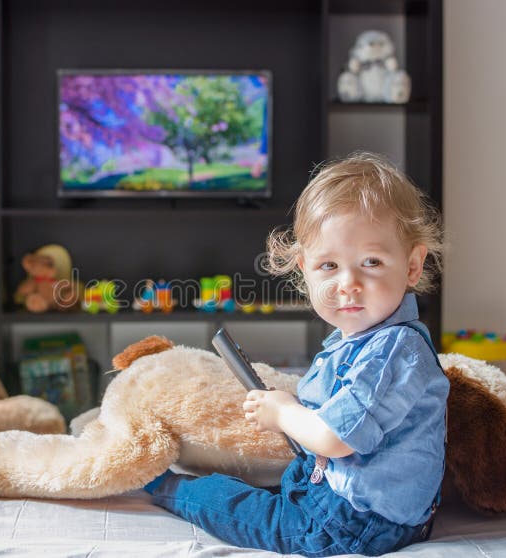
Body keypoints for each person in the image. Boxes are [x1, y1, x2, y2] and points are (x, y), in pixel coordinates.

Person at [144, 152, 449, 557]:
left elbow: (336, 438)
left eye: (371, 262)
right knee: (260, 481)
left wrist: (284, 412)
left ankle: (161, 484)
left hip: (357, 522)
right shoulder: (359, 338)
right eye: (328, 265)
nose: (348, 283)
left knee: (236, 508)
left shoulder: (395, 349)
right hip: (341, 493)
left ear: (412, 267)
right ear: (304, 269)